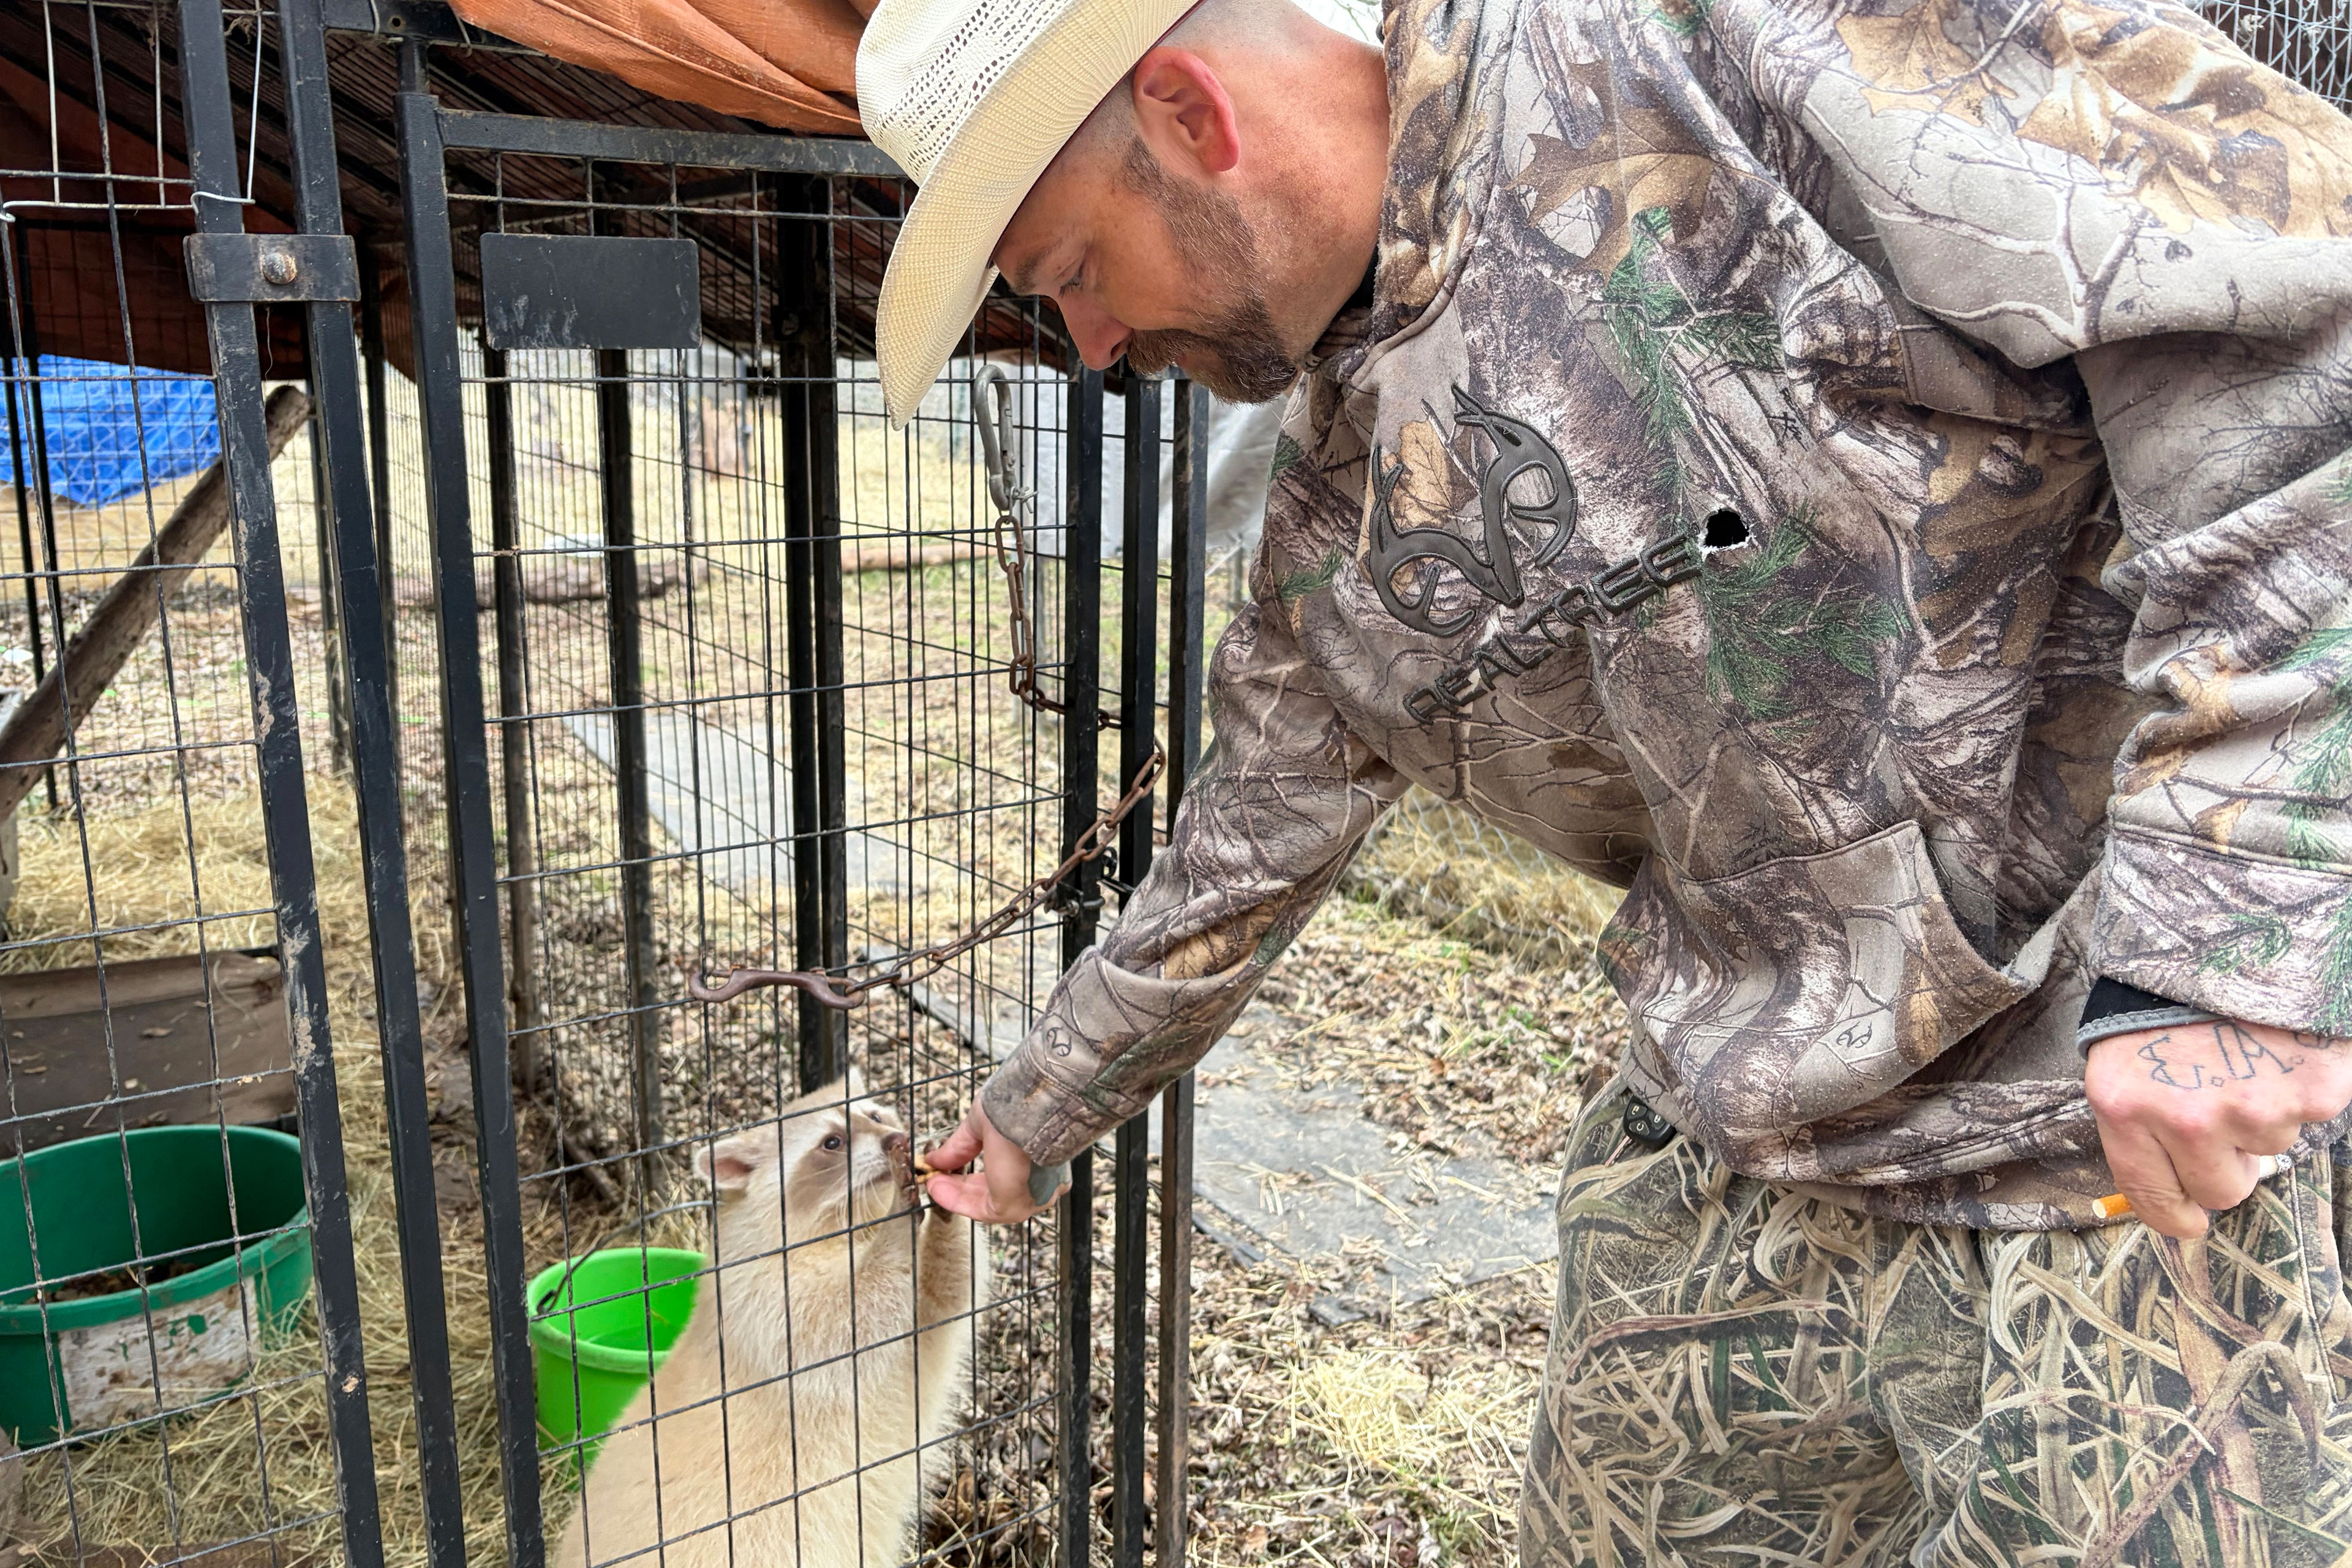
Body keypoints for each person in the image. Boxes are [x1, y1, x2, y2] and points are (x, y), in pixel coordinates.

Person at [853, 0, 2352, 1553]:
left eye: (1071, 275)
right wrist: (1040, 1106)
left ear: (1185, 112)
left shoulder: (1689, 49)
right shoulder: (1336, 511)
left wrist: (2223, 944)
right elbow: (1247, 836)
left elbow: (2304, 321)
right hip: (1741, 1142)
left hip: (2118, 1150)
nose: (1091, 348)